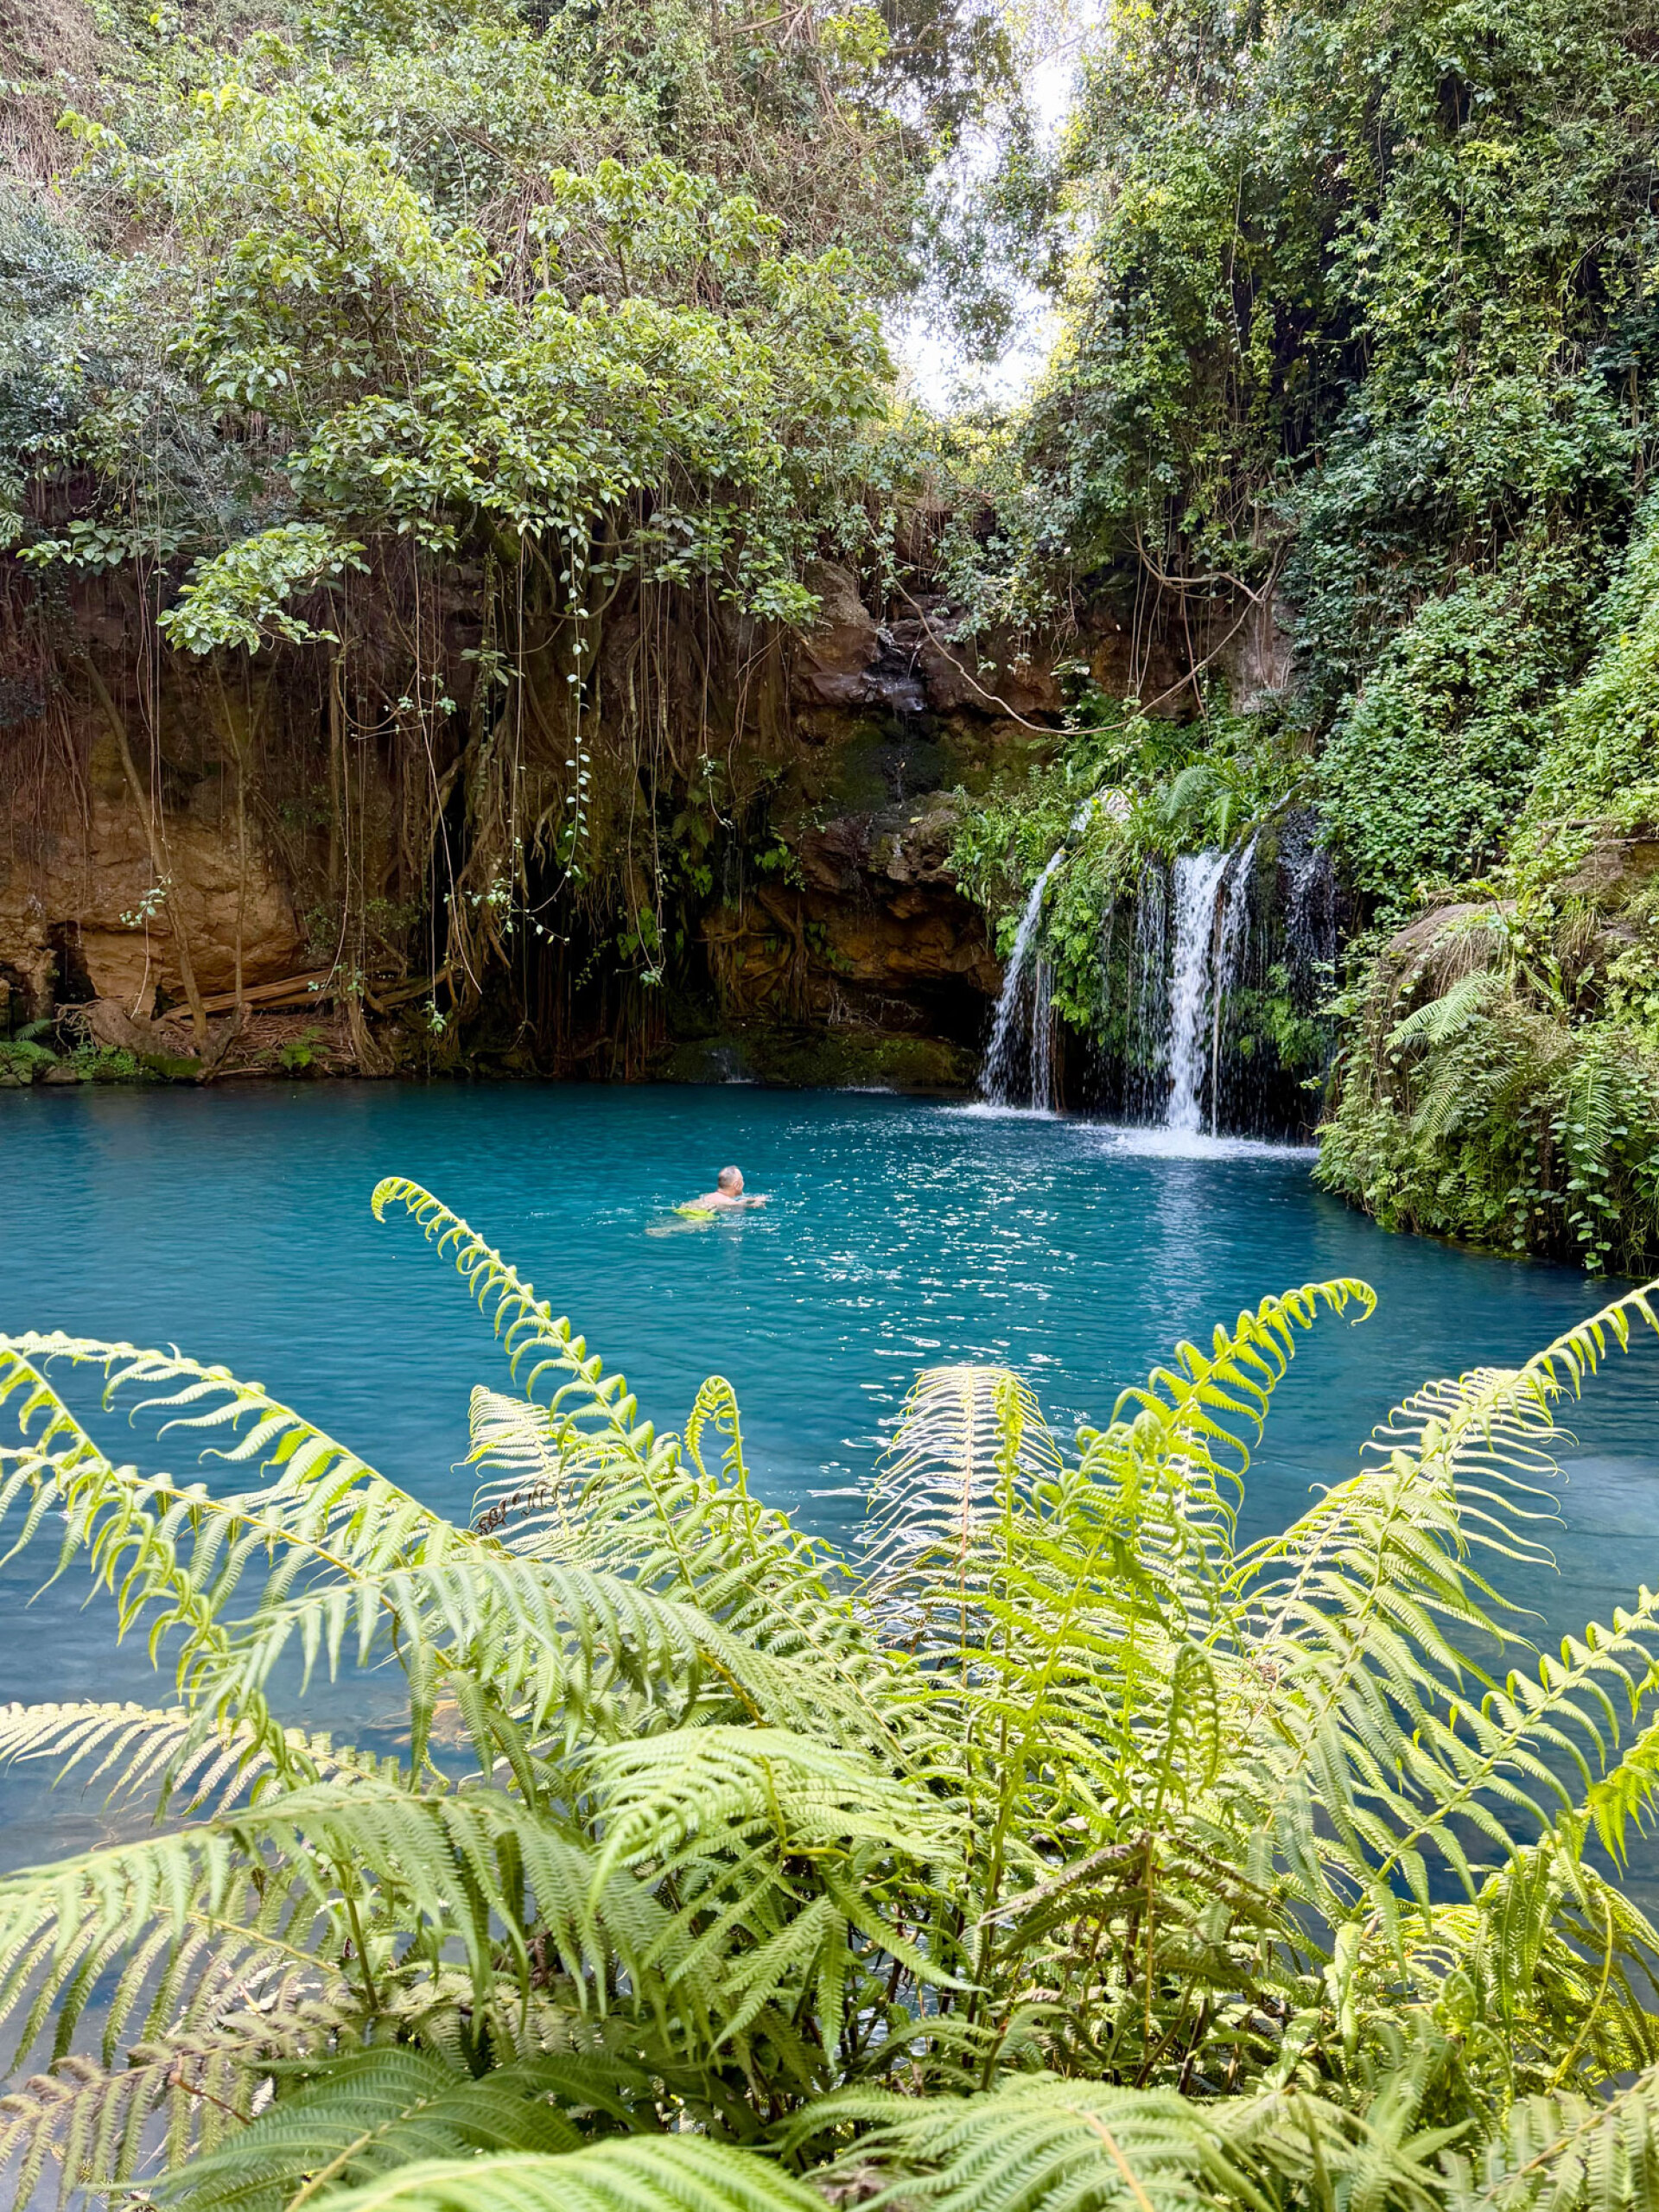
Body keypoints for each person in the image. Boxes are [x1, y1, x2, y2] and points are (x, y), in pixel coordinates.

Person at [691, 1166, 767, 1211]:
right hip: (700, 1217)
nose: (743, 1183)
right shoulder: (728, 1202)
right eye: (742, 1180)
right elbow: (751, 1206)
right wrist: (760, 1201)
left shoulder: (708, 1196)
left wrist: (750, 1199)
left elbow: (741, 1200)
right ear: (737, 1185)